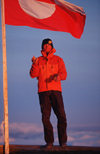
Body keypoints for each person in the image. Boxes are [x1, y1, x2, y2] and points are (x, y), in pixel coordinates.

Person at [30, 38, 67, 148]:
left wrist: (58, 76)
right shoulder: (38, 60)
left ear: (52, 47)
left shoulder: (58, 59)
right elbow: (33, 75)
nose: (47, 47)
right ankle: (49, 142)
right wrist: (34, 64)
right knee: (45, 118)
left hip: (56, 91)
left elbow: (64, 74)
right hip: (43, 92)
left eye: (49, 45)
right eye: (45, 45)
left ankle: (63, 143)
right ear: (42, 47)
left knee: (62, 116)